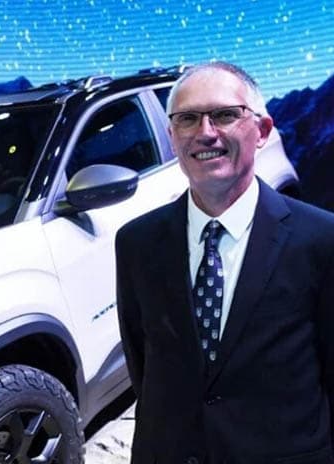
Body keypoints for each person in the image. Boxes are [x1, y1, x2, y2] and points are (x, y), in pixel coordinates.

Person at [115, 61, 334, 464]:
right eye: (187, 119)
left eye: (224, 115)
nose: (205, 132)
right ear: (172, 136)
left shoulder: (321, 240)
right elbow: (143, 367)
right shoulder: (136, 243)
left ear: (262, 131)